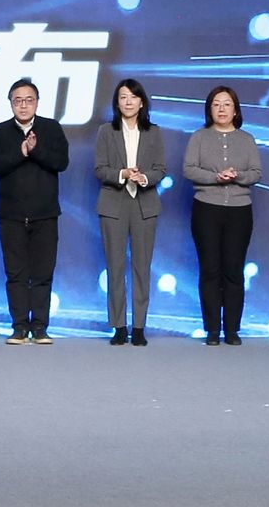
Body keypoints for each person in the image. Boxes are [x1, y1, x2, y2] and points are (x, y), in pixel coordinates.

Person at [0, 77, 70, 344]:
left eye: (28, 100)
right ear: (10, 103)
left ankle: (40, 327)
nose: (23, 105)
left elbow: (61, 162)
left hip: (45, 213)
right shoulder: (0, 132)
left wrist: (36, 150)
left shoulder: (51, 128)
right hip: (11, 215)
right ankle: (19, 327)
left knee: (43, 273)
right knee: (16, 274)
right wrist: (21, 152)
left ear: (37, 103)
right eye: (17, 100)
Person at [183, 85, 262, 346]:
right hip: (206, 208)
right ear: (209, 109)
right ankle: (212, 330)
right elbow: (189, 169)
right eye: (216, 104)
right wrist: (215, 177)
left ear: (236, 110)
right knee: (210, 269)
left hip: (239, 211)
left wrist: (237, 176)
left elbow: (256, 173)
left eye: (227, 104)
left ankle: (232, 329)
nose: (221, 109)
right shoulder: (199, 137)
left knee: (233, 270)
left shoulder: (247, 139)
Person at [93, 78, 166, 347]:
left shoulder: (154, 132)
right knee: (115, 267)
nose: (128, 102)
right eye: (123, 97)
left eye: (133, 97)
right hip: (114, 203)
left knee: (142, 267)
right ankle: (119, 326)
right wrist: (122, 174)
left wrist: (144, 178)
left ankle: (139, 326)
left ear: (141, 102)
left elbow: (161, 168)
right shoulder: (106, 131)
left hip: (145, 204)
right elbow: (100, 169)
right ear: (117, 102)